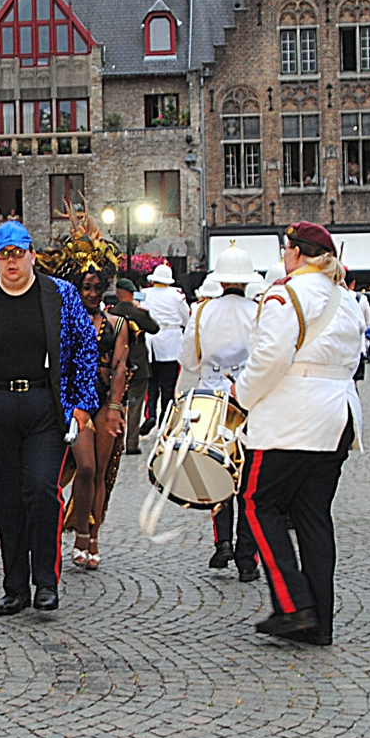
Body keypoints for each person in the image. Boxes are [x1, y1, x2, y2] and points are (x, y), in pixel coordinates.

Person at [0, 220, 97, 617]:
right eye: (5, 255)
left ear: (33, 255)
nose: (12, 262)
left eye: (18, 254)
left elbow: (86, 347)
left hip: (44, 406)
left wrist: (83, 404)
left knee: (41, 488)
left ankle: (46, 581)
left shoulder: (60, 295)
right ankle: (15, 586)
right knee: (6, 498)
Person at [230, 223, 362, 645]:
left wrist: (241, 395)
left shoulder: (285, 295)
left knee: (257, 503)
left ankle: (292, 604)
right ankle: (320, 622)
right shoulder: (346, 299)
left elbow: (270, 358)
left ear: (297, 253)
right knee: (313, 516)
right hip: (337, 415)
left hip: (291, 419)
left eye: (287, 248)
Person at [37, 209, 129, 571]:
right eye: (85, 288)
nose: (91, 293)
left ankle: (92, 536)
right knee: (86, 467)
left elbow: (120, 367)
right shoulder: (63, 323)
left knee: (102, 471)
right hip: (77, 403)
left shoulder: (117, 324)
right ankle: (77, 531)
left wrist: (116, 408)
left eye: (96, 288)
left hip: (105, 403)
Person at [179, 242, 263, 577]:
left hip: (212, 399)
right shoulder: (258, 311)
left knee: (218, 469)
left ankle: (223, 541)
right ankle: (247, 556)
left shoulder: (202, 312)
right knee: (249, 478)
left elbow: (189, 360)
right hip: (249, 398)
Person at [110, 278, 158, 455]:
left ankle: (116, 443)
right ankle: (132, 443)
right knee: (136, 405)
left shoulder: (111, 312)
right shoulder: (139, 313)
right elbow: (154, 328)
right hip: (138, 363)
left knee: (116, 403)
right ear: (132, 294)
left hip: (117, 363)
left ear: (118, 294)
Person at [141, 263, 188, 432]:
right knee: (168, 385)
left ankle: (151, 414)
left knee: (151, 383)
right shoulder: (177, 296)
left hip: (151, 342)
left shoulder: (144, 293)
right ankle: (165, 417)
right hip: (171, 342)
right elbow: (186, 317)